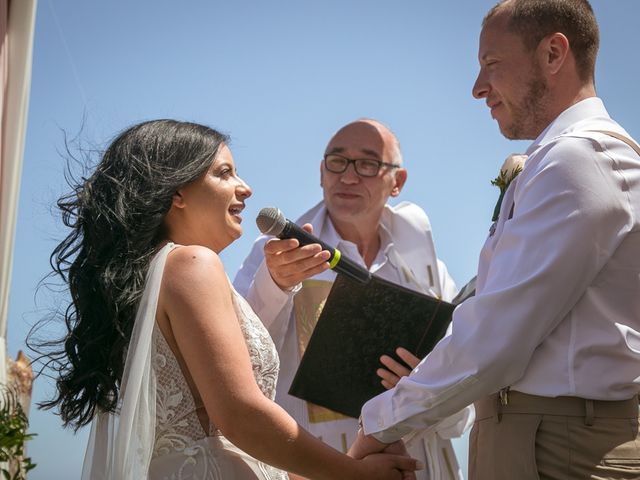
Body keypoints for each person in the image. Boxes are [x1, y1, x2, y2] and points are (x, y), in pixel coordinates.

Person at [349, 1, 640, 479]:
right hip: (537, 436)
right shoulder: (563, 158)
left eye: (491, 64)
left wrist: (380, 421)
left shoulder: (578, 159)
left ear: (553, 53)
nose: (478, 87)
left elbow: (498, 337)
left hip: (559, 448)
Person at [36, 120, 421, 479]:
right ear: (177, 192)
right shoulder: (192, 263)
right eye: (224, 173)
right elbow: (241, 417)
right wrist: (353, 474)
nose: (246, 187)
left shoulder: (152, 277)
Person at [234, 118, 473, 480]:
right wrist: (276, 284)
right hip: (319, 464)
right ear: (321, 171)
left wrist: (425, 379)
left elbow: (466, 369)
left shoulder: (428, 270)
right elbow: (236, 347)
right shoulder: (277, 254)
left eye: (367, 164)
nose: (348, 176)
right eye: (337, 161)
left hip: (415, 461)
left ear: (398, 182)